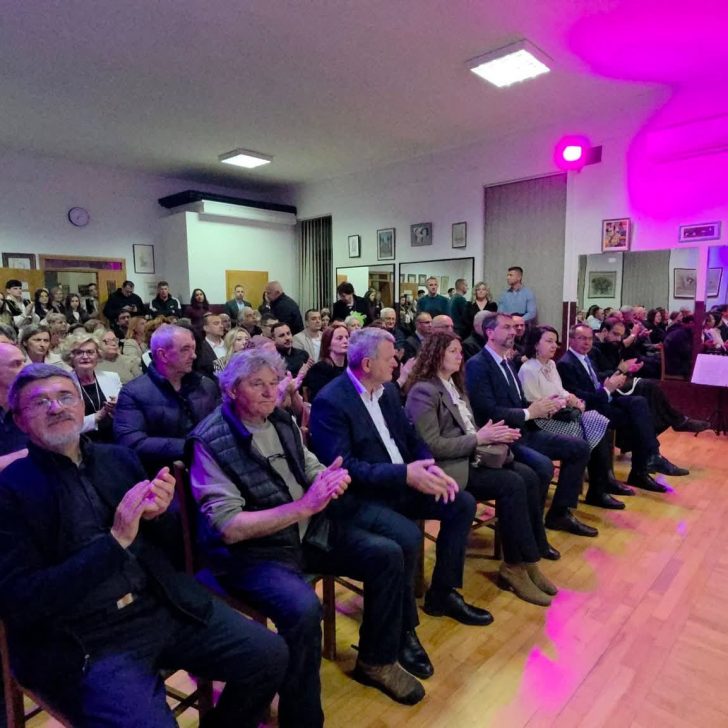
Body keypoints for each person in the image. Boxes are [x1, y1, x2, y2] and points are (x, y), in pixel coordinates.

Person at [0, 364, 287, 727]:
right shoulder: (10, 491)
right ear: (20, 420)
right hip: (85, 637)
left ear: (81, 405)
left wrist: (162, 516)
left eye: (65, 397)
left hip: (159, 605)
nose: (56, 407)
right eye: (40, 402)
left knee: (269, 654)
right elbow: (21, 599)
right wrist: (115, 542)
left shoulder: (117, 458)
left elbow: (172, 551)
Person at [189, 350, 424, 719]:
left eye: (273, 383)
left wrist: (326, 477)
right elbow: (230, 528)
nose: (270, 392)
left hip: (304, 533)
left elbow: (308, 463)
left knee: (387, 554)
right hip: (253, 554)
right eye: (257, 385)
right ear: (231, 390)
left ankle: (377, 661)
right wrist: (303, 507)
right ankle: (302, 717)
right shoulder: (209, 441)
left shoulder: (279, 418)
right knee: (303, 609)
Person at [310, 328, 494, 645]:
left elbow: (411, 436)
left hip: (399, 482)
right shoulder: (331, 401)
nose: (397, 362)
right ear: (367, 364)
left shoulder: (387, 392)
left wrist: (428, 465)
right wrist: (405, 474)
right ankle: (403, 628)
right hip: (361, 496)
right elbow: (345, 467)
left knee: (460, 502)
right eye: (390, 357)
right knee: (407, 536)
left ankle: (443, 593)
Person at [404, 332, 559, 605]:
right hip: (448, 467)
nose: (459, 355)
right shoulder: (423, 391)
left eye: (459, 350)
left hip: (471, 457)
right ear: (436, 354)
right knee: (513, 483)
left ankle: (527, 561)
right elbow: (432, 445)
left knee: (528, 475)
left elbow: (469, 428)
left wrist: (492, 434)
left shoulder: (455, 385)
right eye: (452, 351)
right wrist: (480, 438)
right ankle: (515, 566)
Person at [465, 314, 595, 537]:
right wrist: (529, 412)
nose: (513, 332)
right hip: (501, 437)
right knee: (543, 467)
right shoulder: (478, 364)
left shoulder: (506, 362)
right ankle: (530, 531)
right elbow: (486, 412)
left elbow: (518, 402)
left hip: (524, 430)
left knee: (580, 447)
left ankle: (559, 513)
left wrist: (541, 407)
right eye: (506, 327)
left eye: (513, 328)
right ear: (490, 333)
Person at [557, 324, 680, 494]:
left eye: (590, 339)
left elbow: (596, 381)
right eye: (581, 338)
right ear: (571, 340)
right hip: (590, 409)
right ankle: (641, 469)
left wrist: (614, 379)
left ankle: (650, 458)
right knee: (639, 421)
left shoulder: (586, 358)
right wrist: (607, 389)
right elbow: (580, 397)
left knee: (639, 403)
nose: (587, 342)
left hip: (603, 401)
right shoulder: (565, 363)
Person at [518, 326, 626, 509]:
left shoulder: (551, 365)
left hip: (559, 413)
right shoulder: (528, 369)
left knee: (597, 420)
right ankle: (596, 489)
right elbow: (535, 403)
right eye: (549, 341)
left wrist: (572, 398)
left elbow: (560, 390)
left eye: (555, 342)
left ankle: (600, 485)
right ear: (536, 344)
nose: (554, 346)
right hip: (543, 421)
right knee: (588, 432)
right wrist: (565, 402)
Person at [114, 324, 219, 474]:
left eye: (193, 348)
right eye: (185, 349)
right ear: (163, 355)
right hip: (162, 475)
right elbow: (131, 442)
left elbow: (221, 425)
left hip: (211, 468)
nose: (194, 355)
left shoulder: (205, 385)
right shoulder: (133, 393)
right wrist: (191, 447)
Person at [592, 319, 707, 435]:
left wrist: (629, 369)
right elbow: (595, 376)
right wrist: (620, 369)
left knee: (650, 391)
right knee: (648, 385)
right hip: (606, 389)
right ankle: (677, 422)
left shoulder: (611, 345)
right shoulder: (594, 349)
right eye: (615, 334)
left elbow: (626, 359)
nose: (618, 339)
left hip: (618, 381)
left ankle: (671, 425)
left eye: (620, 336)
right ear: (605, 331)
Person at [60, 330, 121, 441]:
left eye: (90, 352)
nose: (85, 356)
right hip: (82, 442)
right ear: (71, 357)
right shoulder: (64, 384)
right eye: (79, 353)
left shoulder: (112, 378)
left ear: (98, 355)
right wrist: (98, 416)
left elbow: (124, 413)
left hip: (115, 437)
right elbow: (66, 426)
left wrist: (117, 407)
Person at [303, 324, 349, 402]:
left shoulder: (351, 367)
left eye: (347, 337)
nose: (345, 341)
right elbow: (321, 399)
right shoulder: (319, 369)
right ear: (328, 345)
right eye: (339, 338)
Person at [0, 342, 28, 472]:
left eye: (24, 362)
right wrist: (23, 456)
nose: (26, 369)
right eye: (16, 364)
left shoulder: (30, 403)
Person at [196, 312, 227, 379]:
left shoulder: (229, 344)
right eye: (216, 323)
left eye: (221, 323)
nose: (221, 326)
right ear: (206, 328)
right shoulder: (200, 349)